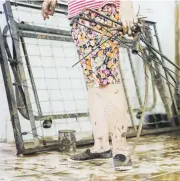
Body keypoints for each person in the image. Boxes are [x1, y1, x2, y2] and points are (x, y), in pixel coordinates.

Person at [41, 0, 135, 171]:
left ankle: (121, 149)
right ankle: (101, 146)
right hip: (79, 16)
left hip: (102, 11)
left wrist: (127, 7)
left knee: (108, 80)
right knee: (93, 83)